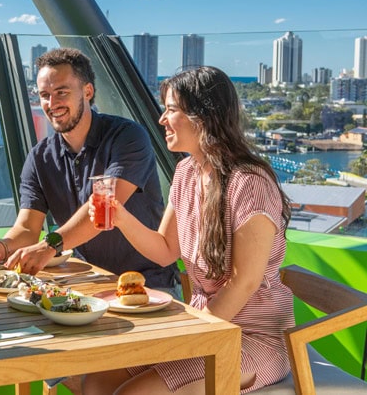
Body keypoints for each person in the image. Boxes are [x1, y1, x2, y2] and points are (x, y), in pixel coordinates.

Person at [84, 66, 295, 394]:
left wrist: (191, 336)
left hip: (252, 339)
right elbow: (165, 249)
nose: (161, 119)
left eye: (170, 109)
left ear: (203, 117)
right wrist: (120, 216)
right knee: (97, 382)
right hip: (205, 323)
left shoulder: (249, 183)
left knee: (132, 393)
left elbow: (244, 282)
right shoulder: (185, 172)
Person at [0, 47, 180, 294]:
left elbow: (104, 208)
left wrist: (50, 245)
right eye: (44, 95)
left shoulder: (128, 137)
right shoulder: (39, 158)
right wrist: (3, 247)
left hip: (147, 286)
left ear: (87, 91)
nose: (51, 103)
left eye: (61, 92)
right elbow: (27, 228)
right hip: (85, 283)